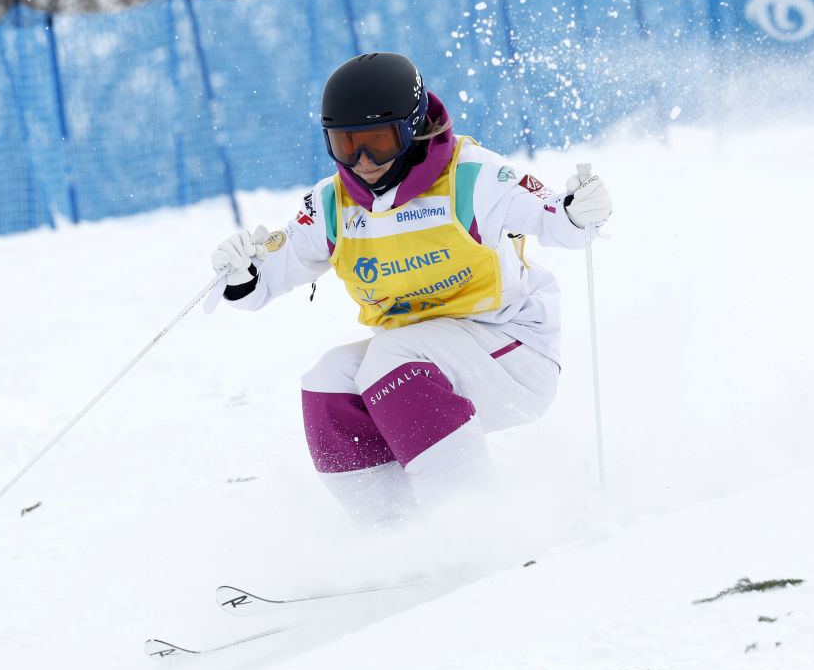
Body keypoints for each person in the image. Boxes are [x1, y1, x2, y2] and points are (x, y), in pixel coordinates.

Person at [208, 52, 612, 527]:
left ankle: (474, 524)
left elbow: (558, 221)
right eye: (345, 145)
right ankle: (398, 537)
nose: (363, 162)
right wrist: (242, 275)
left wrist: (577, 209)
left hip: (513, 353)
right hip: (424, 365)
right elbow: (269, 277)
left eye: (378, 142)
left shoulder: (472, 176)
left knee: (390, 358)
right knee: (328, 381)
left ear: (413, 127)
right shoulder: (332, 205)